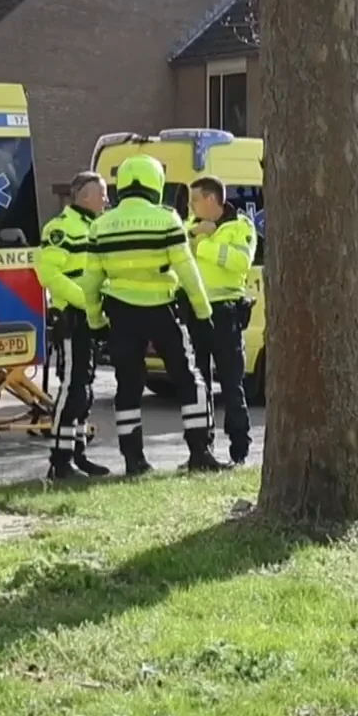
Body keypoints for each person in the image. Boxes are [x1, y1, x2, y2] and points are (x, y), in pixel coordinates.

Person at [79, 154, 219, 475]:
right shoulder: (167, 220)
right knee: (188, 380)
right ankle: (199, 452)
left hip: (121, 314)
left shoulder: (101, 226)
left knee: (128, 387)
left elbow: (90, 283)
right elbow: (188, 273)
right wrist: (203, 312)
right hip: (162, 310)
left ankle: (134, 461)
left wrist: (96, 320)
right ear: (155, 183)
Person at [36, 171, 114, 479]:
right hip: (73, 317)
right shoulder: (60, 228)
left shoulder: (98, 228)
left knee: (86, 389)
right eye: (102, 194)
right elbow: (48, 274)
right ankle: (60, 460)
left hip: (92, 318)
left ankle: (77, 453)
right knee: (72, 389)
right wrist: (85, 300)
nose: (107, 200)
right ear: (84, 197)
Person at [183, 176, 257, 468]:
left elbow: (240, 262)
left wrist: (204, 244)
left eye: (194, 200)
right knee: (197, 383)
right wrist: (196, 235)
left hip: (226, 314)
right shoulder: (191, 227)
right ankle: (202, 450)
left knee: (231, 383)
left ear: (211, 200)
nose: (190, 206)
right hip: (196, 313)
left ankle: (239, 451)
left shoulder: (240, 226)